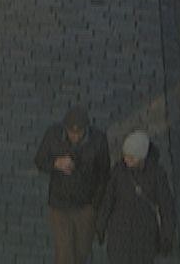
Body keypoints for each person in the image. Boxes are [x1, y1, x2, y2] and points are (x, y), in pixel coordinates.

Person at [33, 105, 109, 264]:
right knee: (64, 253)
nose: (75, 136)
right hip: (59, 204)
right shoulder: (53, 135)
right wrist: (55, 163)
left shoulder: (99, 140)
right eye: (71, 132)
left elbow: (104, 175)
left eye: (79, 132)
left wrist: (94, 205)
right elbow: (40, 160)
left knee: (82, 250)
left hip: (85, 206)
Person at [95, 130, 175, 264]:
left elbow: (167, 208)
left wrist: (166, 237)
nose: (126, 160)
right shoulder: (118, 171)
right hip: (119, 234)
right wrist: (101, 225)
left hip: (144, 236)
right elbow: (108, 199)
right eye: (125, 156)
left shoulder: (157, 175)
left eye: (132, 157)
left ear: (142, 157)